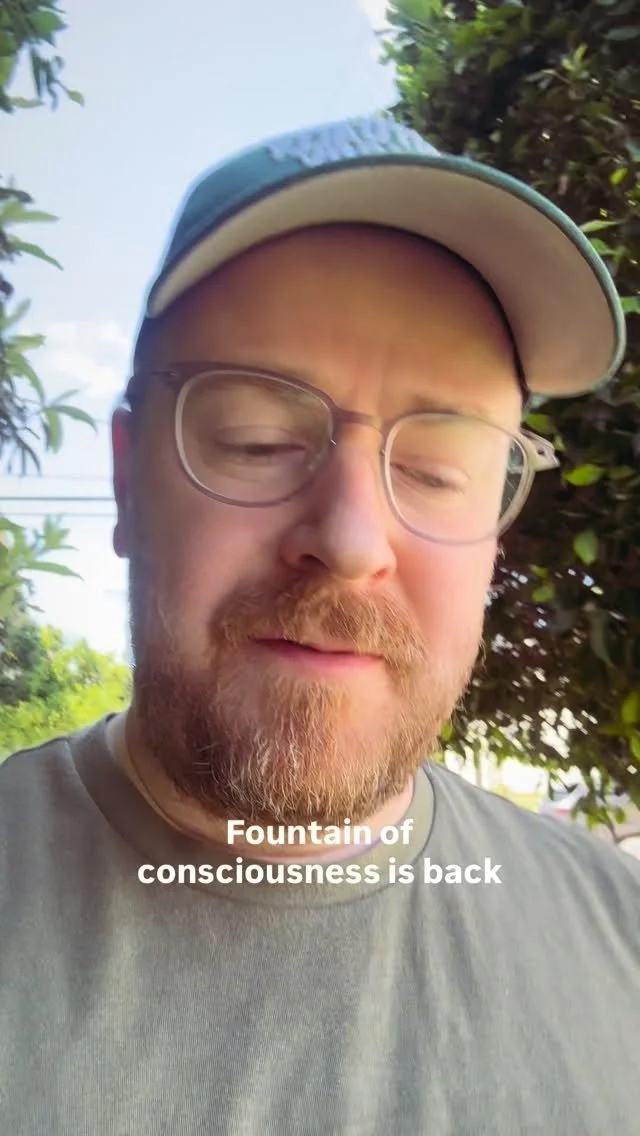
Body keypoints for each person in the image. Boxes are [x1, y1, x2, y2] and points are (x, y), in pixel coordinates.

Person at [1, 114, 638, 1136]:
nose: (349, 540)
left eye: (437, 468)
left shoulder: (619, 939)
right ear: (126, 480)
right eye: (255, 438)